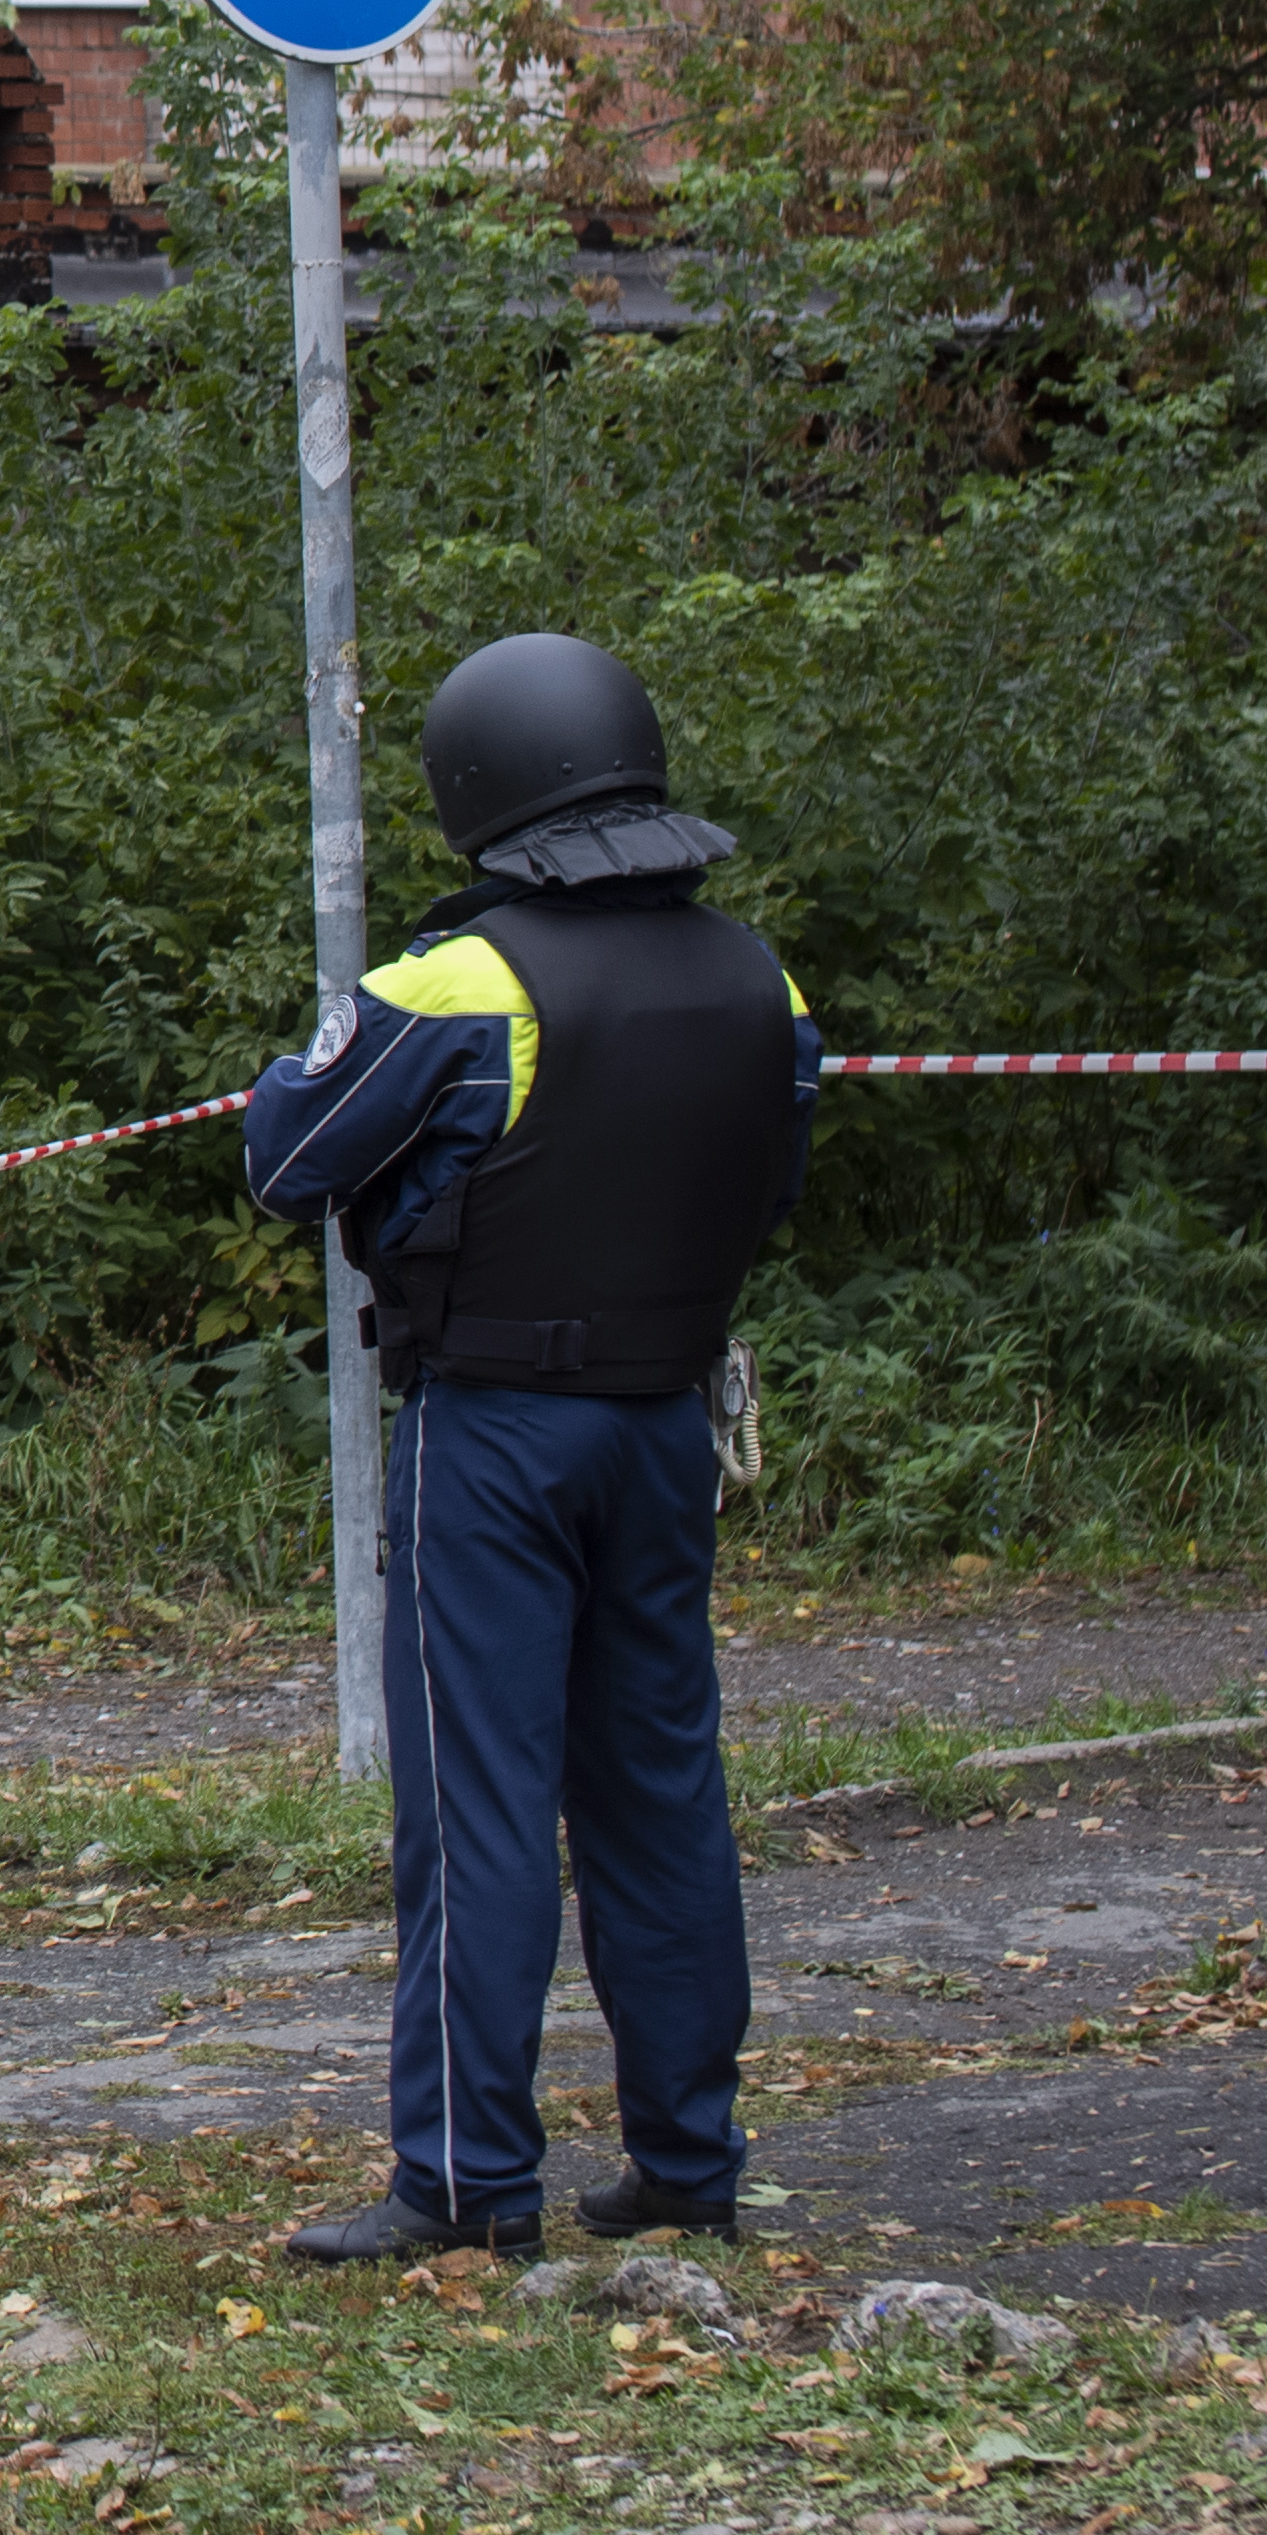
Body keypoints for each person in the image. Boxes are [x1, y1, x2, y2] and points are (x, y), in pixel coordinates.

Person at [242, 632, 820, 2265]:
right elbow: (769, 1183)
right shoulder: (754, 973)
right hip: (664, 1424)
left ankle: (464, 2179)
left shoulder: (460, 982)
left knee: (481, 1802)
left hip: (494, 1428)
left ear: (478, 788)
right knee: (661, 1792)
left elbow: (287, 1154)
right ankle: (690, 2164)